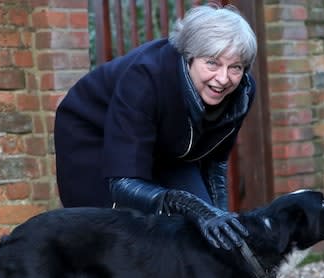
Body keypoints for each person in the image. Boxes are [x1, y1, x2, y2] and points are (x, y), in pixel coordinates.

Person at [54, 4, 257, 251]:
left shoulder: (242, 92)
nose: (223, 79)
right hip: (92, 133)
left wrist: (221, 221)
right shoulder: (143, 81)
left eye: (235, 67)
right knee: (119, 242)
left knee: (204, 236)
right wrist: (187, 207)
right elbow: (124, 182)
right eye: (212, 63)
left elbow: (216, 163)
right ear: (189, 57)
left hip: (165, 143)